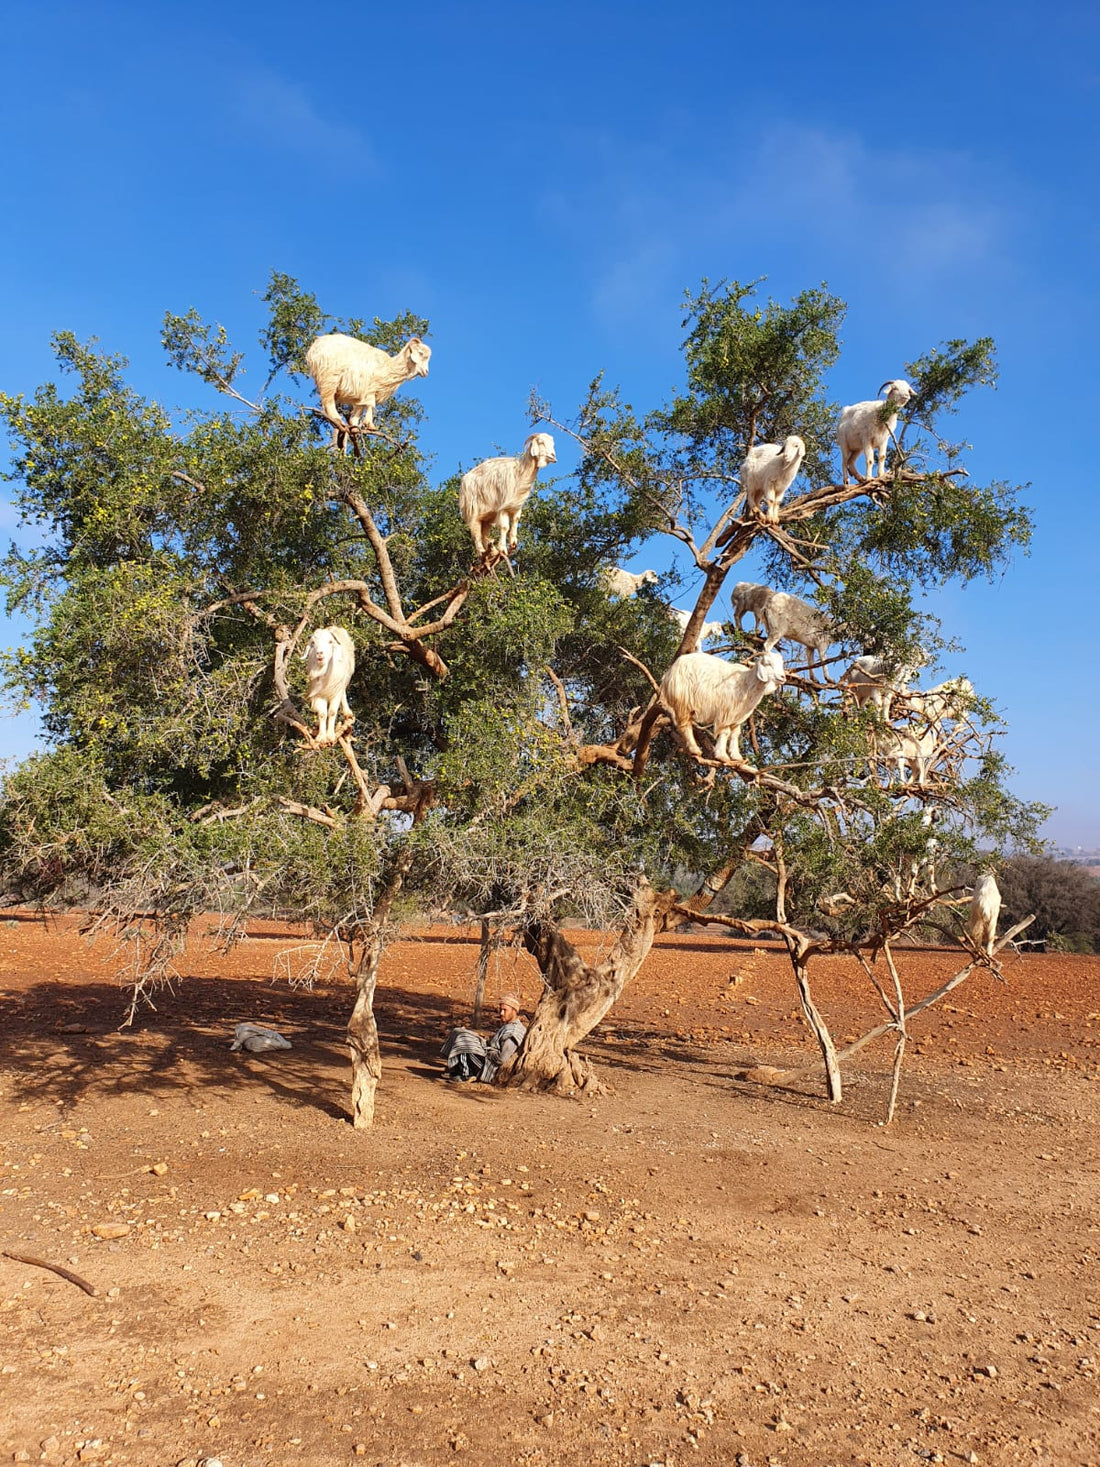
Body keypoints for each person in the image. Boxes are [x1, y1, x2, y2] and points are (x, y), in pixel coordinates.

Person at [441, 993, 527, 1084]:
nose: (501, 1013)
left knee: (463, 1038)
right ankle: (455, 1068)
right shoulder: (508, 1025)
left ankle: (466, 1074)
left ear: (514, 1011)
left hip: (491, 1067)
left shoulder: (514, 1032)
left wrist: (488, 1051)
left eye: (505, 1010)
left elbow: (502, 1059)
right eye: (501, 1009)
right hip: (488, 1055)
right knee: (458, 1031)